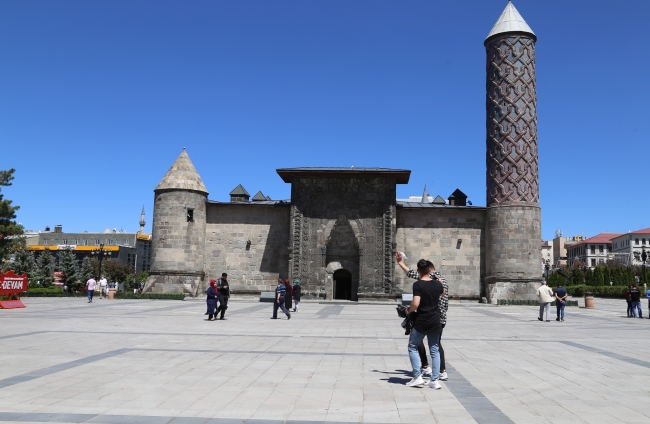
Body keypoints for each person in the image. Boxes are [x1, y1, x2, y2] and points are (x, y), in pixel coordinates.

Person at [397, 252, 449, 381]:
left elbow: (412, 273)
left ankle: (425, 366)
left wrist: (400, 263)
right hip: (439, 318)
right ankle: (441, 372)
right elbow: (443, 296)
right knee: (436, 345)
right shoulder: (442, 281)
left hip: (426, 316)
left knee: (416, 342)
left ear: (428, 270)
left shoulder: (429, 280)